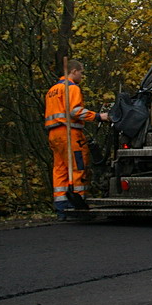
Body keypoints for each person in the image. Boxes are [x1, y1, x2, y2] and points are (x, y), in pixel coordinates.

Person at [44, 60, 109, 220]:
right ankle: (78, 207)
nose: (82, 75)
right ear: (73, 71)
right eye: (81, 72)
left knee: (60, 169)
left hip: (54, 134)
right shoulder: (71, 88)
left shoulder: (52, 90)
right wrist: (99, 116)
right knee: (78, 167)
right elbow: (75, 111)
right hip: (69, 134)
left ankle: (61, 208)